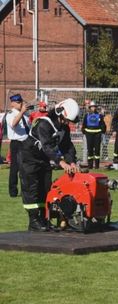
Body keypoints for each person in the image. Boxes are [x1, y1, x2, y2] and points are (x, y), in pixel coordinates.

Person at [20, 98, 80, 231]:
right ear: (60, 113)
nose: (68, 123)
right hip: (29, 158)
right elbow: (47, 147)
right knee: (31, 189)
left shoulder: (64, 128)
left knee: (46, 188)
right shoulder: (43, 124)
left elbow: (67, 146)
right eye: (67, 120)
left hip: (44, 159)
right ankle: (34, 221)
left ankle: (43, 219)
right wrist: (61, 162)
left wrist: (72, 161)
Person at [5, 94, 30, 198]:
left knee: (27, 168)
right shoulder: (11, 114)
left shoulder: (25, 115)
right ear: (12, 103)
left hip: (26, 143)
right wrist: (22, 112)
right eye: (18, 102)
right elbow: (13, 124)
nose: (21, 104)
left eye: (21, 102)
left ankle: (27, 189)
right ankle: (13, 191)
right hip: (16, 144)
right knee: (15, 168)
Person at [82, 101, 106, 169]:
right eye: (92, 107)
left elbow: (103, 124)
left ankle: (97, 166)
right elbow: (84, 124)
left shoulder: (100, 115)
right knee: (90, 150)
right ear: (90, 107)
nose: (93, 108)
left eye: (94, 106)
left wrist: (102, 131)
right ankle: (90, 166)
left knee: (97, 150)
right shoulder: (87, 115)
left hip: (97, 135)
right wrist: (84, 131)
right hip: (89, 134)